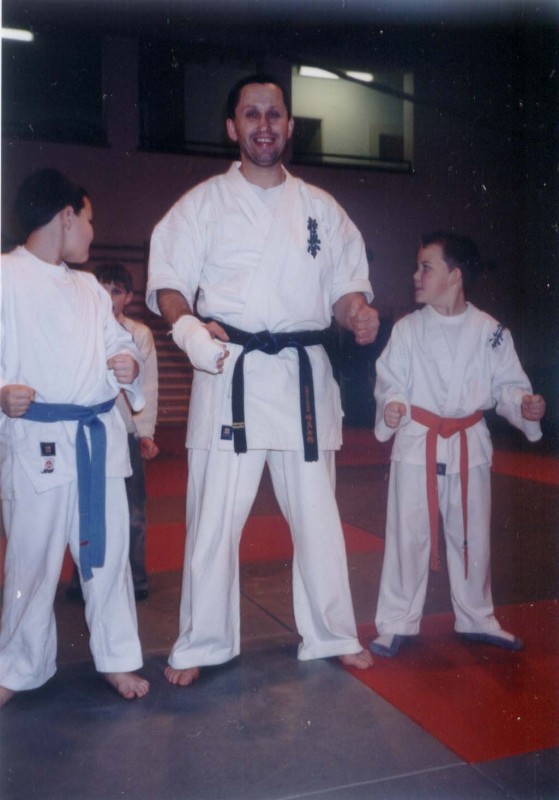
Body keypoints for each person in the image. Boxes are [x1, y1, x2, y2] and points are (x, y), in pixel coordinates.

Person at [146, 74, 379, 686]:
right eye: (251, 114)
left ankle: (333, 632)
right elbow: (168, 282)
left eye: (274, 114)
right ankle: (203, 641)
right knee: (213, 520)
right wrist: (188, 328)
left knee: (318, 516)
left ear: (290, 125)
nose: (264, 126)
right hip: (230, 370)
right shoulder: (201, 205)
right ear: (233, 127)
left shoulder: (321, 208)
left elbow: (345, 288)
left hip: (302, 376)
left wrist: (356, 312)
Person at [0, 169, 150, 706]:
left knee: (107, 558)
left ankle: (117, 658)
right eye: (89, 219)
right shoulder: (5, 276)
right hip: (35, 439)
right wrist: (1, 394)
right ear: (66, 216)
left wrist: (128, 362)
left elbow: (118, 341)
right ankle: (18, 667)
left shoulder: (89, 288)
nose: (91, 231)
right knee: (31, 561)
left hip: (95, 440)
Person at [370, 231, 545, 658]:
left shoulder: (491, 332)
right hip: (418, 442)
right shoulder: (408, 329)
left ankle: (477, 618)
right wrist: (392, 405)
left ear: (455, 275)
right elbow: (391, 380)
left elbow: (509, 385)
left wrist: (524, 404)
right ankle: (396, 621)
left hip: (469, 445)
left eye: (425, 267)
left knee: (472, 537)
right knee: (407, 537)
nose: (416, 276)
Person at [67, 262, 159, 602]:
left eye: (116, 291)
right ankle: (83, 577)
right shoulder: (81, 327)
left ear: (129, 297)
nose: (108, 297)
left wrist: (145, 432)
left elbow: (148, 385)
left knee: (134, 512)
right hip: (88, 431)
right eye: (103, 289)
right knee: (85, 506)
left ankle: (136, 577)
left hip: (127, 433)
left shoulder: (139, 334)